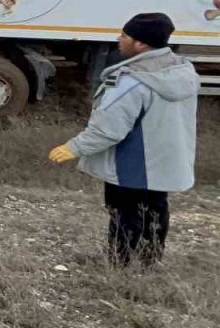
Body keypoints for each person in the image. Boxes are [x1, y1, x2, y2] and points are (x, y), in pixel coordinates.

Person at [48, 13, 197, 267]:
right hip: (165, 160)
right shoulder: (182, 71)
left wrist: (73, 147)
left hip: (133, 162)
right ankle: (150, 261)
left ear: (140, 44)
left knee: (124, 212)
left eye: (125, 35)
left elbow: (109, 129)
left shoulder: (131, 81)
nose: (119, 39)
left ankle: (120, 266)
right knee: (155, 209)